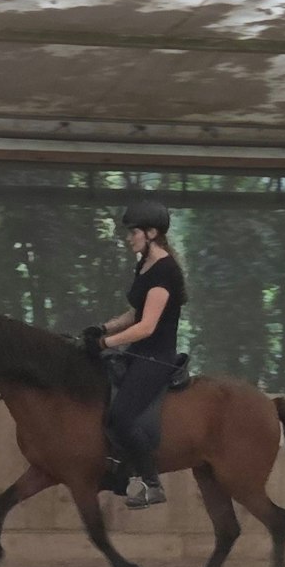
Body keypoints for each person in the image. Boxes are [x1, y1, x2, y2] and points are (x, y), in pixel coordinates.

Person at [82, 198, 187, 509]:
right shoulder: (145, 265)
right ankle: (117, 472)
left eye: (133, 232)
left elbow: (146, 327)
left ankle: (151, 483)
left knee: (122, 416)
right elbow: (133, 315)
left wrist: (105, 344)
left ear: (151, 233)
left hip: (155, 357)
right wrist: (102, 328)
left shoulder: (165, 271)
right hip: (139, 353)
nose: (129, 238)